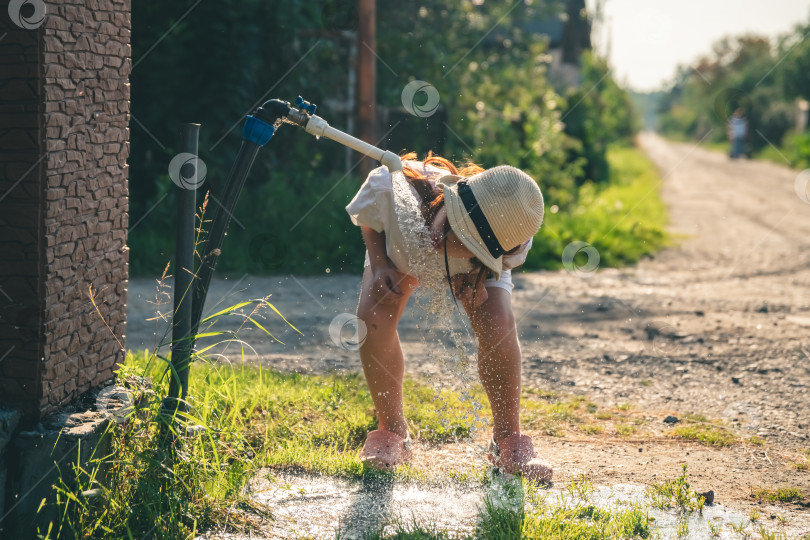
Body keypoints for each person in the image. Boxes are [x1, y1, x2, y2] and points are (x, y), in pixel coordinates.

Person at [345, 152, 553, 482]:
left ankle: (507, 438)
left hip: (472, 270)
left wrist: (474, 278)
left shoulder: (514, 236)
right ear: (453, 198)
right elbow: (368, 218)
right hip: (399, 252)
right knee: (372, 318)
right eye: (453, 222)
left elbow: (497, 267)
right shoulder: (393, 188)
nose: (440, 239)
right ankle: (393, 430)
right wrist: (381, 262)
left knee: (497, 325)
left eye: (463, 240)